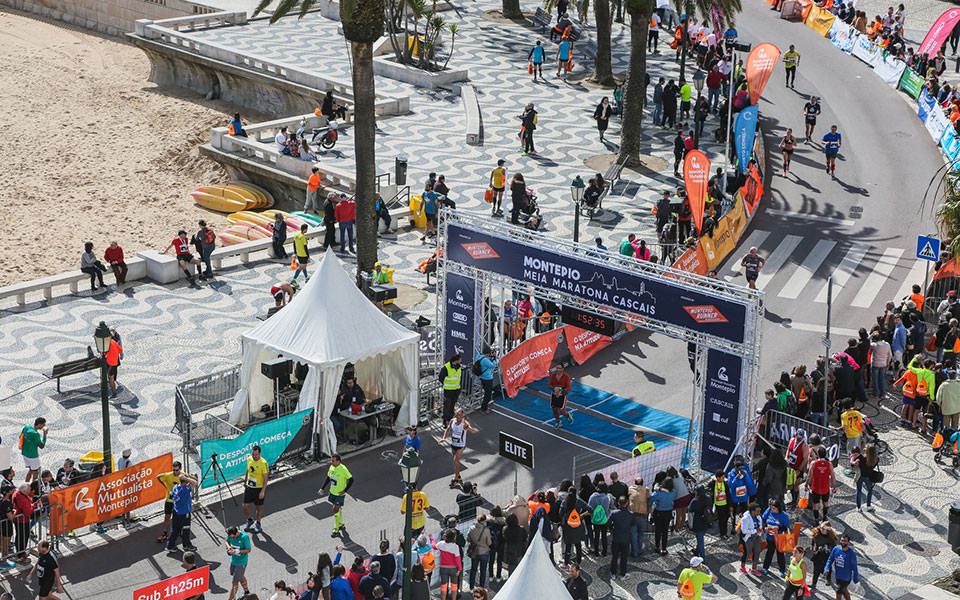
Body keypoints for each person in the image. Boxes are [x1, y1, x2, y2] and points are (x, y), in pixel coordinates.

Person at [319, 454, 354, 538]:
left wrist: (345, 490)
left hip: (339, 494)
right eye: (331, 460)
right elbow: (328, 477)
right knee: (337, 509)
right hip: (332, 492)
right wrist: (322, 488)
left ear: (338, 461)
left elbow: (351, 480)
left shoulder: (343, 469)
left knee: (335, 509)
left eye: (333, 461)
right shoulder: (331, 467)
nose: (332, 462)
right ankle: (341, 523)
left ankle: (336, 528)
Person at [441, 408, 476, 489]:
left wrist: (468, 428)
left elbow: (473, 431)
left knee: (456, 460)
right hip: (453, 444)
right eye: (457, 414)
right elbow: (448, 429)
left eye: (459, 415)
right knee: (456, 462)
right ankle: (458, 475)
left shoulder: (465, 423)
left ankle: (456, 480)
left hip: (461, 445)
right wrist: (444, 438)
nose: (458, 416)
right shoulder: (452, 421)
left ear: (462, 415)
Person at [165, 473, 199, 552]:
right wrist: (187, 478)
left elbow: (171, 497)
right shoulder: (186, 490)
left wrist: (184, 478)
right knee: (186, 530)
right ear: (186, 482)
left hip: (176, 512)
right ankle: (187, 545)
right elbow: (195, 483)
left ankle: (170, 545)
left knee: (175, 530)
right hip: (184, 514)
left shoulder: (175, 487)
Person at [156, 461, 187, 543]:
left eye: (177, 470)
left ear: (180, 469)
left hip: (179, 500)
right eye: (173, 470)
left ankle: (180, 531)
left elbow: (193, 480)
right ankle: (165, 533)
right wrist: (165, 486)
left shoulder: (184, 475)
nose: (175, 472)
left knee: (179, 517)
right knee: (167, 516)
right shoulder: (168, 475)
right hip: (169, 500)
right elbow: (158, 477)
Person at [242, 445, 269, 533]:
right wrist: (245, 481)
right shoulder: (249, 459)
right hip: (249, 487)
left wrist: (263, 491)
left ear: (260, 453)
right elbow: (248, 470)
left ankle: (258, 523)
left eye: (256, 455)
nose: (254, 456)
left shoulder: (263, 463)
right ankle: (250, 520)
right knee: (245, 505)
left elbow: (266, 478)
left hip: (258, 489)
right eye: (253, 454)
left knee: (258, 507)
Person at [824, 534, 859, 600]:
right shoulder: (836, 549)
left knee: (838, 591)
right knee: (844, 590)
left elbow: (854, 567)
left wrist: (855, 579)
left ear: (848, 542)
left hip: (846, 578)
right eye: (842, 540)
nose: (843, 542)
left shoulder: (851, 553)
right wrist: (826, 568)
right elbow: (830, 559)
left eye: (845, 541)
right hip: (838, 576)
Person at [762, 500, 791, 576]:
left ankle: (782, 570)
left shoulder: (784, 516)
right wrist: (764, 527)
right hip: (769, 537)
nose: (772, 510)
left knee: (780, 554)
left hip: (779, 538)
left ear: (778, 508)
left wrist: (779, 528)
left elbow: (786, 527)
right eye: (771, 508)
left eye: (774, 508)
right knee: (769, 552)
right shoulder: (769, 511)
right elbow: (764, 520)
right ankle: (765, 567)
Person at [608, 496, 634, 577]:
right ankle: (623, 574)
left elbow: (607, 523)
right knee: (624, 558)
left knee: (614, 556)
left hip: (616, 538)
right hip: (626, 538)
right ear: (627, 503)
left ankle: (613, 573)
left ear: (618, 503)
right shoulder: (631, 514)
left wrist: (612, 529)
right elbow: (633, 524)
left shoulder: (614, 513)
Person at [648, 477, 675, 555]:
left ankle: (657, 546)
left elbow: (650, 500)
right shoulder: (673, 492)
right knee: (665, 531)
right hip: (668, 513)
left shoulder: (658, 493)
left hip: (659, 513)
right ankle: (664, 548)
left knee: (658, 530)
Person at [226, 526, 253, 600]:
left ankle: (230, 599)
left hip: (241, 562)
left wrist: (238, 551)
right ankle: (247, 591)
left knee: (234, 582)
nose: (232, 539)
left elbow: (249, 549)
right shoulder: (230, 535)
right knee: (240, 576)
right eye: (230, 537)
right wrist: (229, 548)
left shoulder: (244, 537)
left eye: (233, 537)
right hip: (233, 560)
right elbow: (227, 541)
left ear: (236, 533)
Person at [810, 521, 838, 590]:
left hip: (827, 555)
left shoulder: (831, 538)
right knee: (816, 570)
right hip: (818, 553)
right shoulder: (817, 532)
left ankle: (828, 579)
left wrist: (827, 548)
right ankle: (814, 584)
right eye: (821, 528)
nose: (821, 529)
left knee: (827, 567)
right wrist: (812, 545)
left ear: (827, 530)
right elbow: (814, 538)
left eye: (823, 529)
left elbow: (834, 547)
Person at [466, 514, 492, 589]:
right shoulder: (486, 530)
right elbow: (489, 543)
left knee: (473, 570)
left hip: (474, 552)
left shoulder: (471, 528)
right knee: (483, 571)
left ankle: (471, 587)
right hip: (484, 552)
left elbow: (468, 539)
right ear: (484, 521)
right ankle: (482, 588)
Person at [436, 528, 461, 600]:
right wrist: (459, 569)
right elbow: (458, 559)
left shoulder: (441, 544)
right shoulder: (455, 547)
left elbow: (434, 546)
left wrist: (431, 539)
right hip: (453, 569)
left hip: (443, 568)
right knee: (454, 586)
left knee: (443, 586)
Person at [20, 417, 47, 483]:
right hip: (32, 456)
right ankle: (33, 486)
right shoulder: (35, 434)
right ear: (39, 425)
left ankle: (26, 484)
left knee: (31, 470)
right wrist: (45, 435)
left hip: (25, 453)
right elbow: (41, 446)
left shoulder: (26, 427)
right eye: (43, 424)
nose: (44, 426)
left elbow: (20, 437)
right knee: (35, 472)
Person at [739, 502, 763, 574]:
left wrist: (759, 530)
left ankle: (754, 569)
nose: (759, 512)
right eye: (757, 511)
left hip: (757, 537)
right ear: (752, 511)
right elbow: (744, 530)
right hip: (749, 538)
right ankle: (742, 567)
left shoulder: (758, 517)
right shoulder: (745, 519)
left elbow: (760, 525)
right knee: (747, 553)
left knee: (757, 552)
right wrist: (755, 531)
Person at [548, 363, 574, 428]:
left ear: (563, 369)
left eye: (559, 368)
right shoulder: (553, 375)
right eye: (557, 368)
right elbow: (549, 385)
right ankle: (558, 421)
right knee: (554, 409)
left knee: (561, 411)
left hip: (562, 395)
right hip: (554, 394)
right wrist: (554, 388)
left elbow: (569, 387)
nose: (558, 369)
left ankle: (568, 415)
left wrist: (561, 391)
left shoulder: (566, 376)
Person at [440, 354, 463, 424]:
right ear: (456, 360)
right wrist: (447, 384)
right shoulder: (446, 368)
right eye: (460, 359)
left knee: (452, 404)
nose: (461, 360)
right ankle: (445, 420)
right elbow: (441, 378)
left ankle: (450, 418)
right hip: (448, 390)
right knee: (447, 405)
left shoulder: (459, 367)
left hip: (456, 389)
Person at [855, 444, 879, 512]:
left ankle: (858, 507)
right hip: (869, 477)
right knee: (870, 490)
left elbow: (854, 461)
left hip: (860, 476)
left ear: (867, 451)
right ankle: (868, 506)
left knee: (859, 491)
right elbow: (873, 467)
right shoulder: (876, 459)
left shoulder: (862, 458)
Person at [688, 486, 710, 558]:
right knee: (700, 537)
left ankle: (702, 557)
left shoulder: (694, 501)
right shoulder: (708, 498)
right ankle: (697, 550)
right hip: (707, 521)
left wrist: (690, 526)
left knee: (700, 540)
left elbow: (690, 514)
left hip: (697, 523)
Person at [474, 347, 496, 414]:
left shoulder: (478, 356)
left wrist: (490, 357)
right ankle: (484, 408)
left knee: (486, 393)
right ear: (488, 353)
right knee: (488, 395)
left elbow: (486, 361)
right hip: (488, 379)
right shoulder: (485, 360)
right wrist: (494, 358)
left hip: (482, 377)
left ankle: (484, 407)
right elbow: (493, 365)